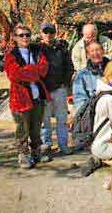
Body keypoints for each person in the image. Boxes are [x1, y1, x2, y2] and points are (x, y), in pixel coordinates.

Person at [4, 24, 50, 169]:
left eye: (27, 35)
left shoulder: (36, 52)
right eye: (21, 35)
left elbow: (43, 69)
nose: (25, 37)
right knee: (22, 129)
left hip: (37, 97)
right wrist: (33, 71)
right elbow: (14, 74)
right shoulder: (11, 55)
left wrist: (27, 71)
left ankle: (36, 152)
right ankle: (23, 154)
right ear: (15, 38)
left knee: (36, 128)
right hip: (20, 99)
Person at [81, 59, 112, 176]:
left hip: (100, 143)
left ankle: (99, 161)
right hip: (107, 146)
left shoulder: (106, 92)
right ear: (110, 77)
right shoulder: (110, 99)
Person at [38, 22, 74, 159]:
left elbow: (69, 67)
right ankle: (46, 144)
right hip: (44, 89)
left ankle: (63, 144)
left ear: (55, 33)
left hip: (59, 89)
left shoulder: (62, 48)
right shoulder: (37, 49)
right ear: (41, 33)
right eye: (45, 32)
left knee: (62, 119)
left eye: (51, 32)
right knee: (44, 119)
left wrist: (65, 84)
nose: (48, 34)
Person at [72, 41, 109, 111]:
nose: (95, 53)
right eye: (92, 51)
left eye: (98, 50)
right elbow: (79, 100)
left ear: (103, 52)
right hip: (93, 113)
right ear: (88, 55)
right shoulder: (81, 75)